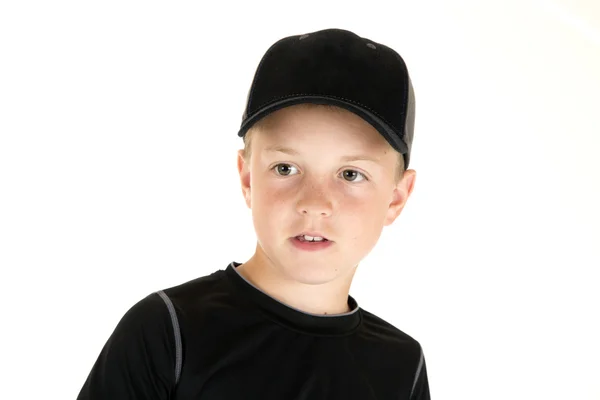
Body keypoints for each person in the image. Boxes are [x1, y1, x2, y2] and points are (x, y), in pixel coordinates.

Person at [77, 28, 431, 399]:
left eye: (351, 174)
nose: (314, 202)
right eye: (285, 168)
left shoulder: (401, 367)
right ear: (247, 177)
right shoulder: (170, 333)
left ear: (396, 198)